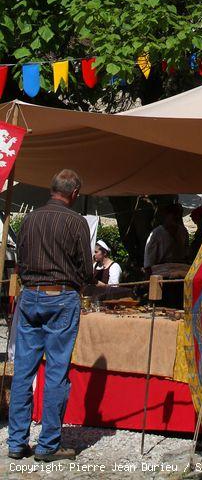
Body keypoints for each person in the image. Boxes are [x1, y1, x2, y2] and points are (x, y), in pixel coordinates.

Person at [8, 169, 93, 463]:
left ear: (51, 189)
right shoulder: (76, 221)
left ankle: (17, 442)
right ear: (75, 193)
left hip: (30, 295)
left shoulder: (30, 219)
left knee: (23, 371)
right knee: (56, 372)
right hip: (60, 297)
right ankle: (47, 445)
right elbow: (87, 267)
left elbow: (19, 259)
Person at [143, 202, 189, 273]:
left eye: (179, 215)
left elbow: (186, 253)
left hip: (180, 270)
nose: (177, 217)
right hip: (161, 272)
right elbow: (149, 261)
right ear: (166, 216)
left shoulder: (183, 231)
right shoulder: (156, 233)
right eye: (174, 214)